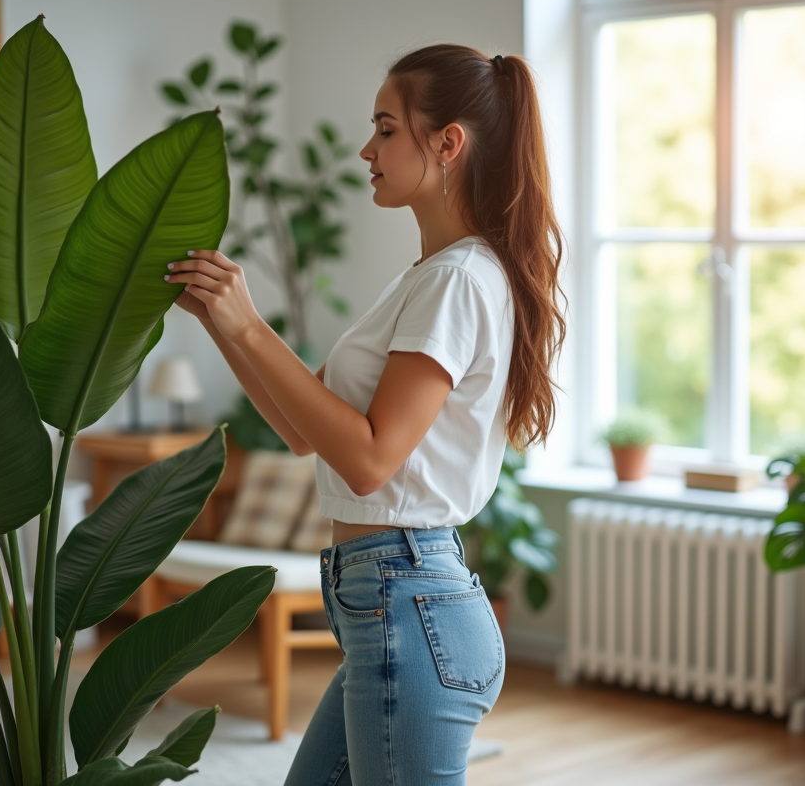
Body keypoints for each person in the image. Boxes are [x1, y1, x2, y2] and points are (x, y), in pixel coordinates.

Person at [165, 43, 566, 786]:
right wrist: (224, 322)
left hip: (409, 602)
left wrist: (251, 324)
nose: (365, 149)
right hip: (389, 601)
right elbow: (298, 430)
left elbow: (369, 457)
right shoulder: (427, 278)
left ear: (447, 143)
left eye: (386, 128)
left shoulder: (458, 281)